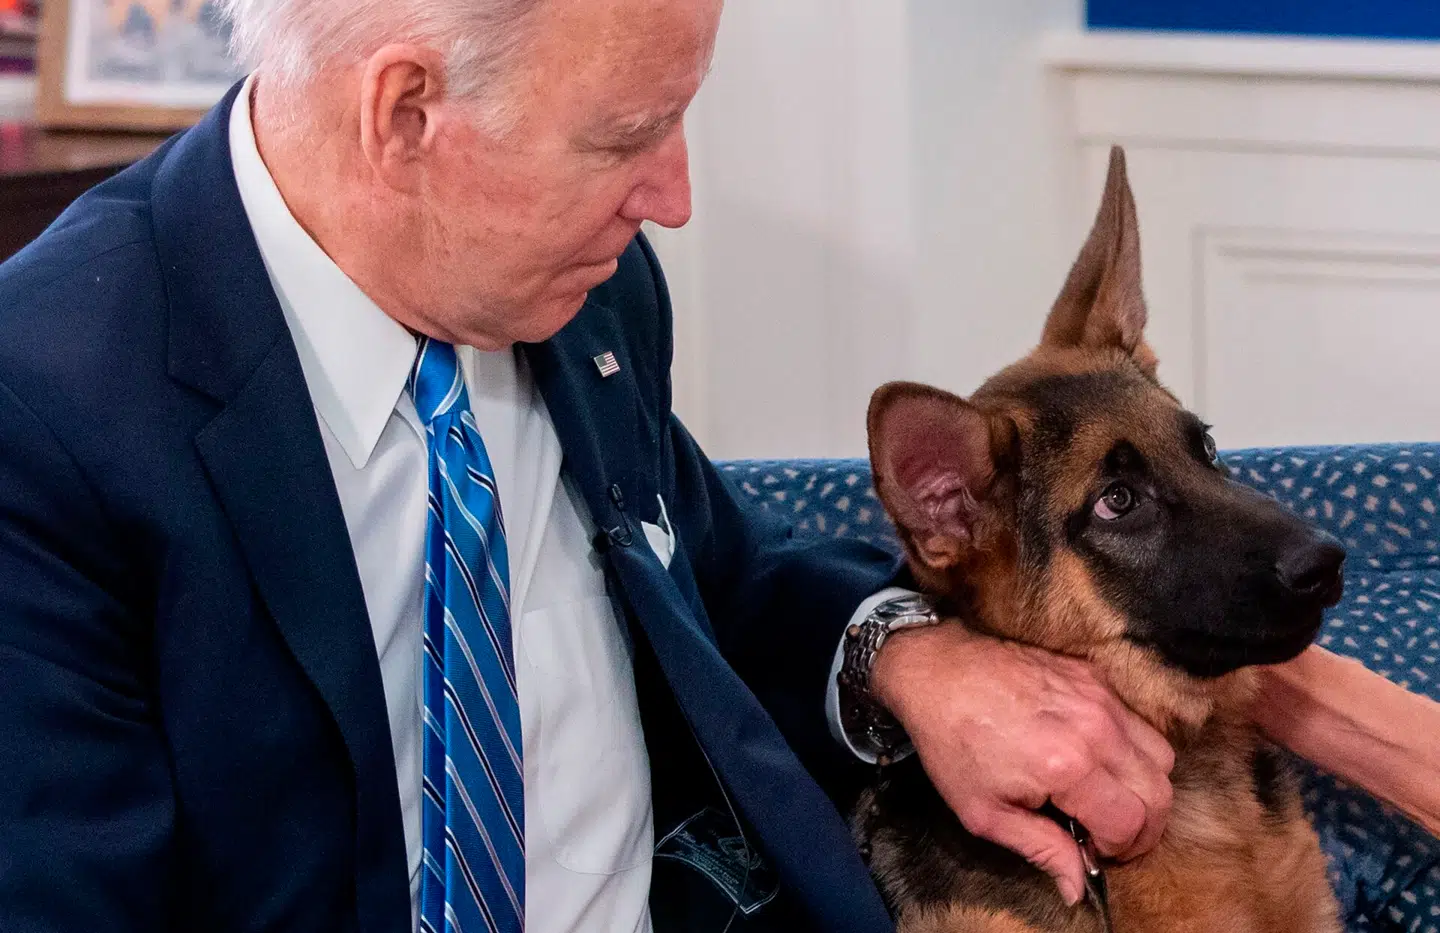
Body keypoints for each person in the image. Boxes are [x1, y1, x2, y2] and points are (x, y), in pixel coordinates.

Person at [0, 1, 1431, 931]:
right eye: (625, 138)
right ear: (404, 117)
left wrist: (908, 657)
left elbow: (719, 570)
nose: (673, 196)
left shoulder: (585, 291)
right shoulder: (51, 409)